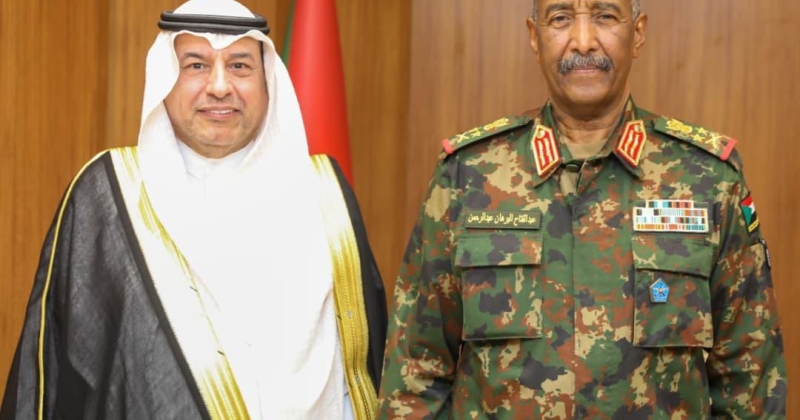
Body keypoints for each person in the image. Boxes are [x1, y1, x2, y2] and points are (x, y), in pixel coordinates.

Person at [377, 0, 787, 418]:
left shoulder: (708, 179)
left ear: (638, 33)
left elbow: (750, 379)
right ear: (535, 37)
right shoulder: (469, 175)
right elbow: (415, 372)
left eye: (605, 15)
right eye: (560, 18)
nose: (584, 41)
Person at [1, 0, 387, 419]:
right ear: (165, 77)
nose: (220, 86)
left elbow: (366, 366)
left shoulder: (322, 193)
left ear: (268, 81)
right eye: (196, 65)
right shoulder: (110, 194)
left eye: (240, 66)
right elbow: (59, 367)